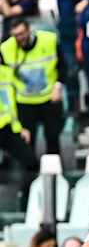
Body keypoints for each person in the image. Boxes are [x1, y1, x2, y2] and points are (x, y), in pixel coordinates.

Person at [2, 19, 63, 157]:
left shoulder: (48, 40)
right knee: (28, 140)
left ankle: (54, 170)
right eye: (16, 35)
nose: (20, 38)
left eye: (22, 33)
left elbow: (62, 66)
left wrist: (58, 86)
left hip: (49, 97)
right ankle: (31, 174)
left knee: (53, 137)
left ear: (29, 29)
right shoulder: (6, 49)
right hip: (25, 101)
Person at [38, 0, 83, 107]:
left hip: (76, 29)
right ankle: (72, 107)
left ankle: (77, 107)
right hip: (64, 29)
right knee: (68, 69)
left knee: (74, 69)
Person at [0, 61, 35, 170]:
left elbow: (21, 98)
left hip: (7, 128)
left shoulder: (8, 73)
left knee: (31, 162)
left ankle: (29, 187)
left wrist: (21, 128)